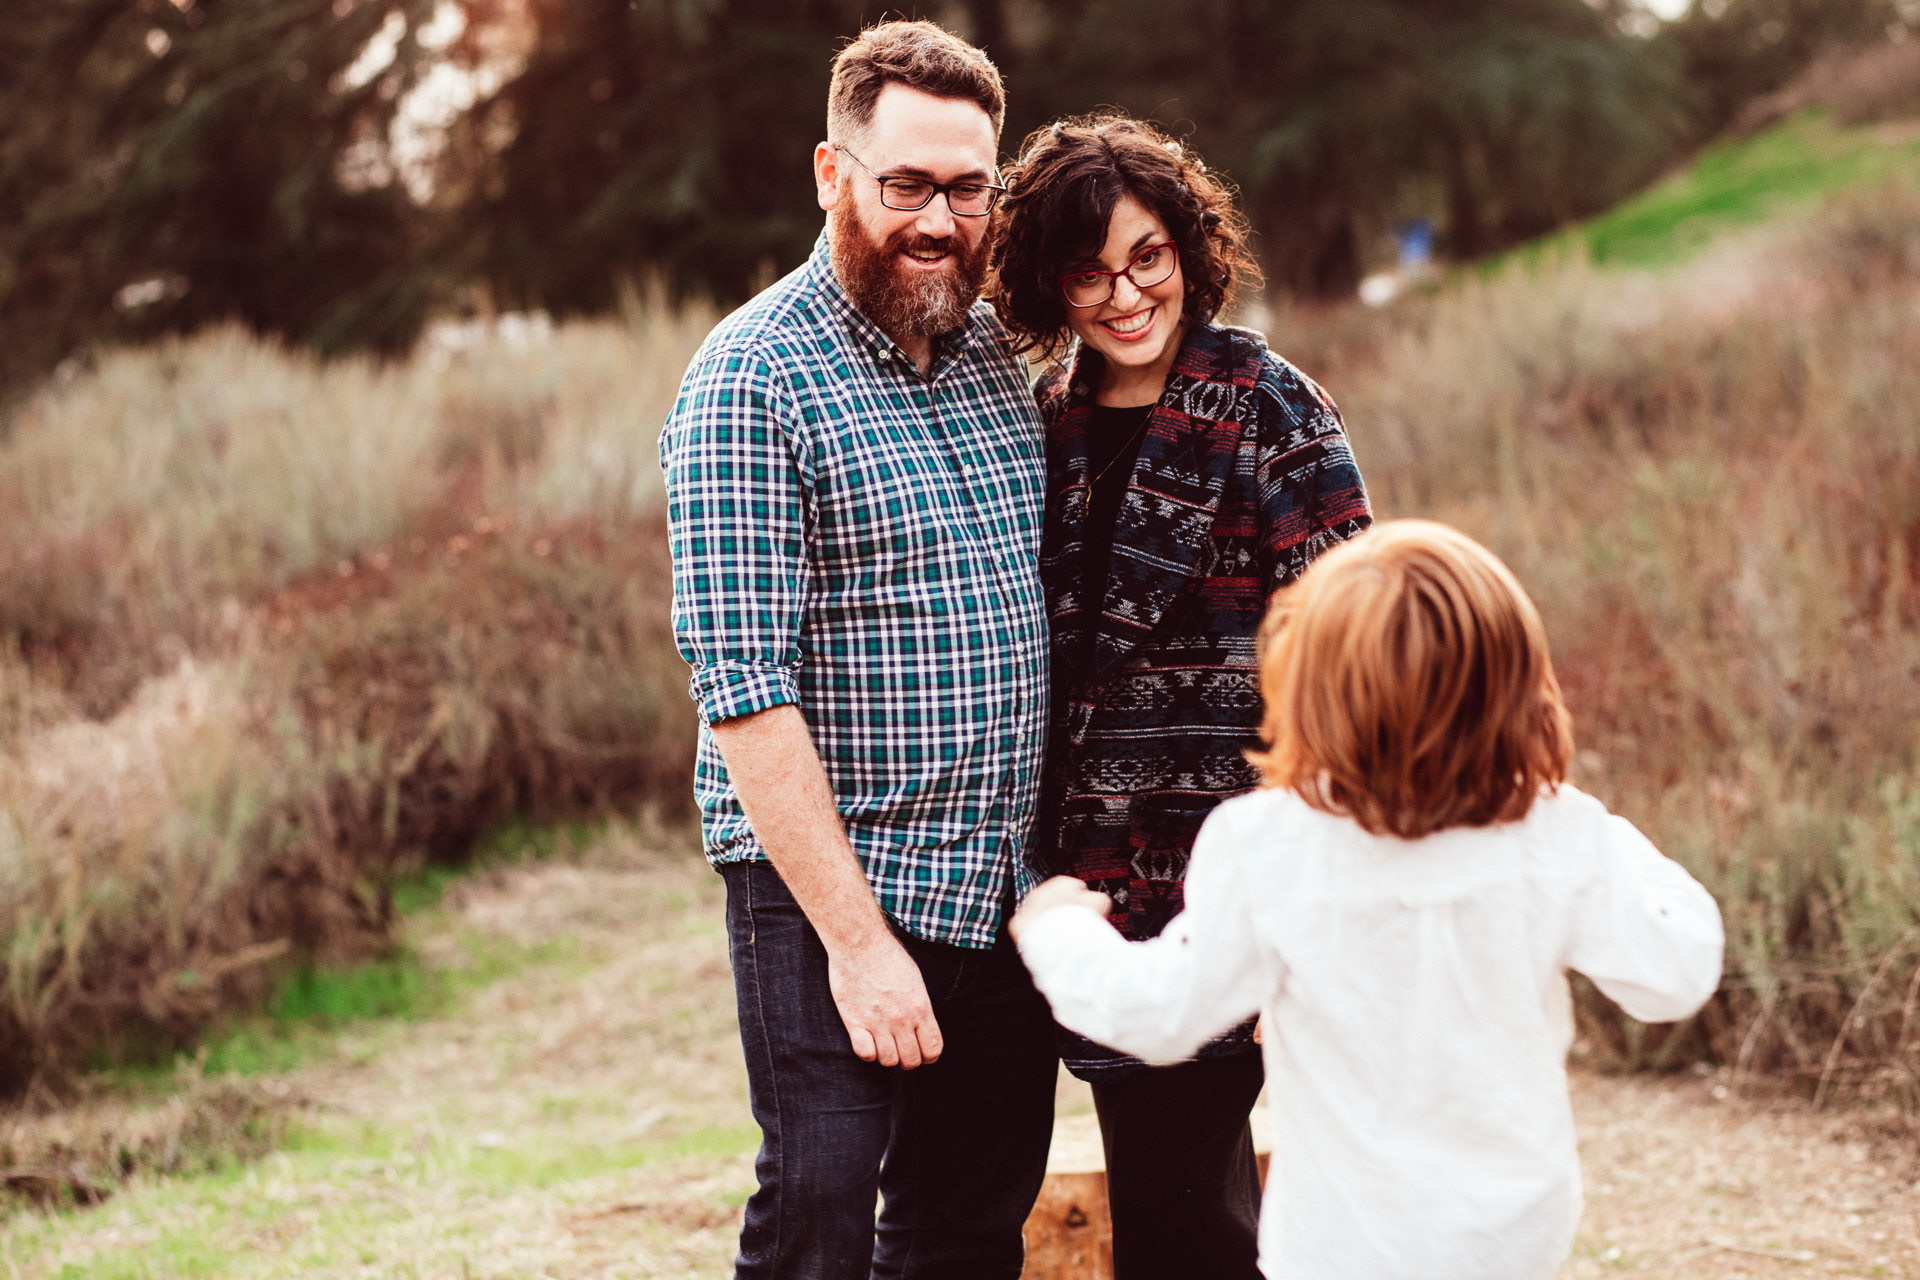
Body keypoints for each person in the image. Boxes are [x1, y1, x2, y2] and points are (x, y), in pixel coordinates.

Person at [1012, 519, 1728, 1280]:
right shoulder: (1553, 835)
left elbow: (1156, 1016)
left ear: (1309, 688)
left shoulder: (1268, 843)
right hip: (1513, 1238)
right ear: (1516, 686)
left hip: (1339, 1246)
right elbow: (1673, 974)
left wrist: (1059, 932)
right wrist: (1598, 832)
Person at [658, 21, 1055, 1280]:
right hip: (832, 884)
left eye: (968, 188)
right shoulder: (750, 378)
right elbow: (746, 694)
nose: (940, 221)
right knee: (818, 1221)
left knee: (970, 1230)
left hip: (1001, 883)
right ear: (833, 175)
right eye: (906, 187)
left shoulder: (1003, 351)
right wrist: (859, 943)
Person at [988, 115, 1372, 1278]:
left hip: (1234, 879)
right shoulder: (1037, 419)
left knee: (1201, 1229)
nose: (1122, 293)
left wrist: (1316, 911)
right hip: (1073, 876)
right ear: (1051, 281)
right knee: (1144, 1214)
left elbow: (1353, 662)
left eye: (1145, 256)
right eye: (1088, 270)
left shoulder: (1270, 403)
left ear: (1187, 247)